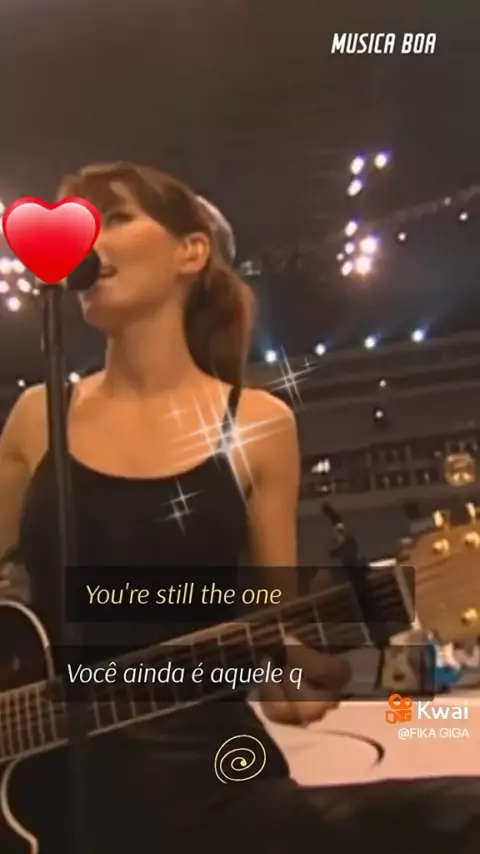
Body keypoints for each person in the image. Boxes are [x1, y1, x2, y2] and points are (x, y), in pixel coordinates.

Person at [0, 161, 478, 853]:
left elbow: (273, 626)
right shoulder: (34, 416)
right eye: (77, 220)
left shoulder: (259, 424)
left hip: (201, 779)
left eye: (115, 216)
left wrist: (293, 674)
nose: (84, 236)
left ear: (191, 251)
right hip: (39, 800)